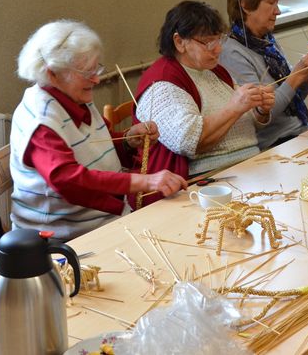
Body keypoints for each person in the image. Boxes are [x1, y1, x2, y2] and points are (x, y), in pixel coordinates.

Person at [10, 20, 186, 241]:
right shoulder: (41, 121)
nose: (96, 78)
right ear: (53, 73)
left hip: (104, 221)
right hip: (63, 239)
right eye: (86, 72)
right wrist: (146, 181)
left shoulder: (74, 97)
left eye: (96, 69)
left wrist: (129, 139)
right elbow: (68, 180)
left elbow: (95, 143)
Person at [134, 1, 274, 206]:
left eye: (219, 39)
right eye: (208, 42)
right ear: (179, 42)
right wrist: (235, 107)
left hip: (247, 166)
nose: (217, 49)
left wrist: (259, 110)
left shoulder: (212, 70)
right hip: (206, 183)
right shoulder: (161, 84)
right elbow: (190, 141)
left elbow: (242, 122)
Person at [220, 0, 308, 150]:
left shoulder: (266, 40)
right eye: (271, 2)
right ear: (246, 5)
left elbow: (294, 100)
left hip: (299, 131)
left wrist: (307, 74)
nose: (277, 11)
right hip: (275, 143)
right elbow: (263, 115)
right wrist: (296, 75)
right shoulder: (232, 52)